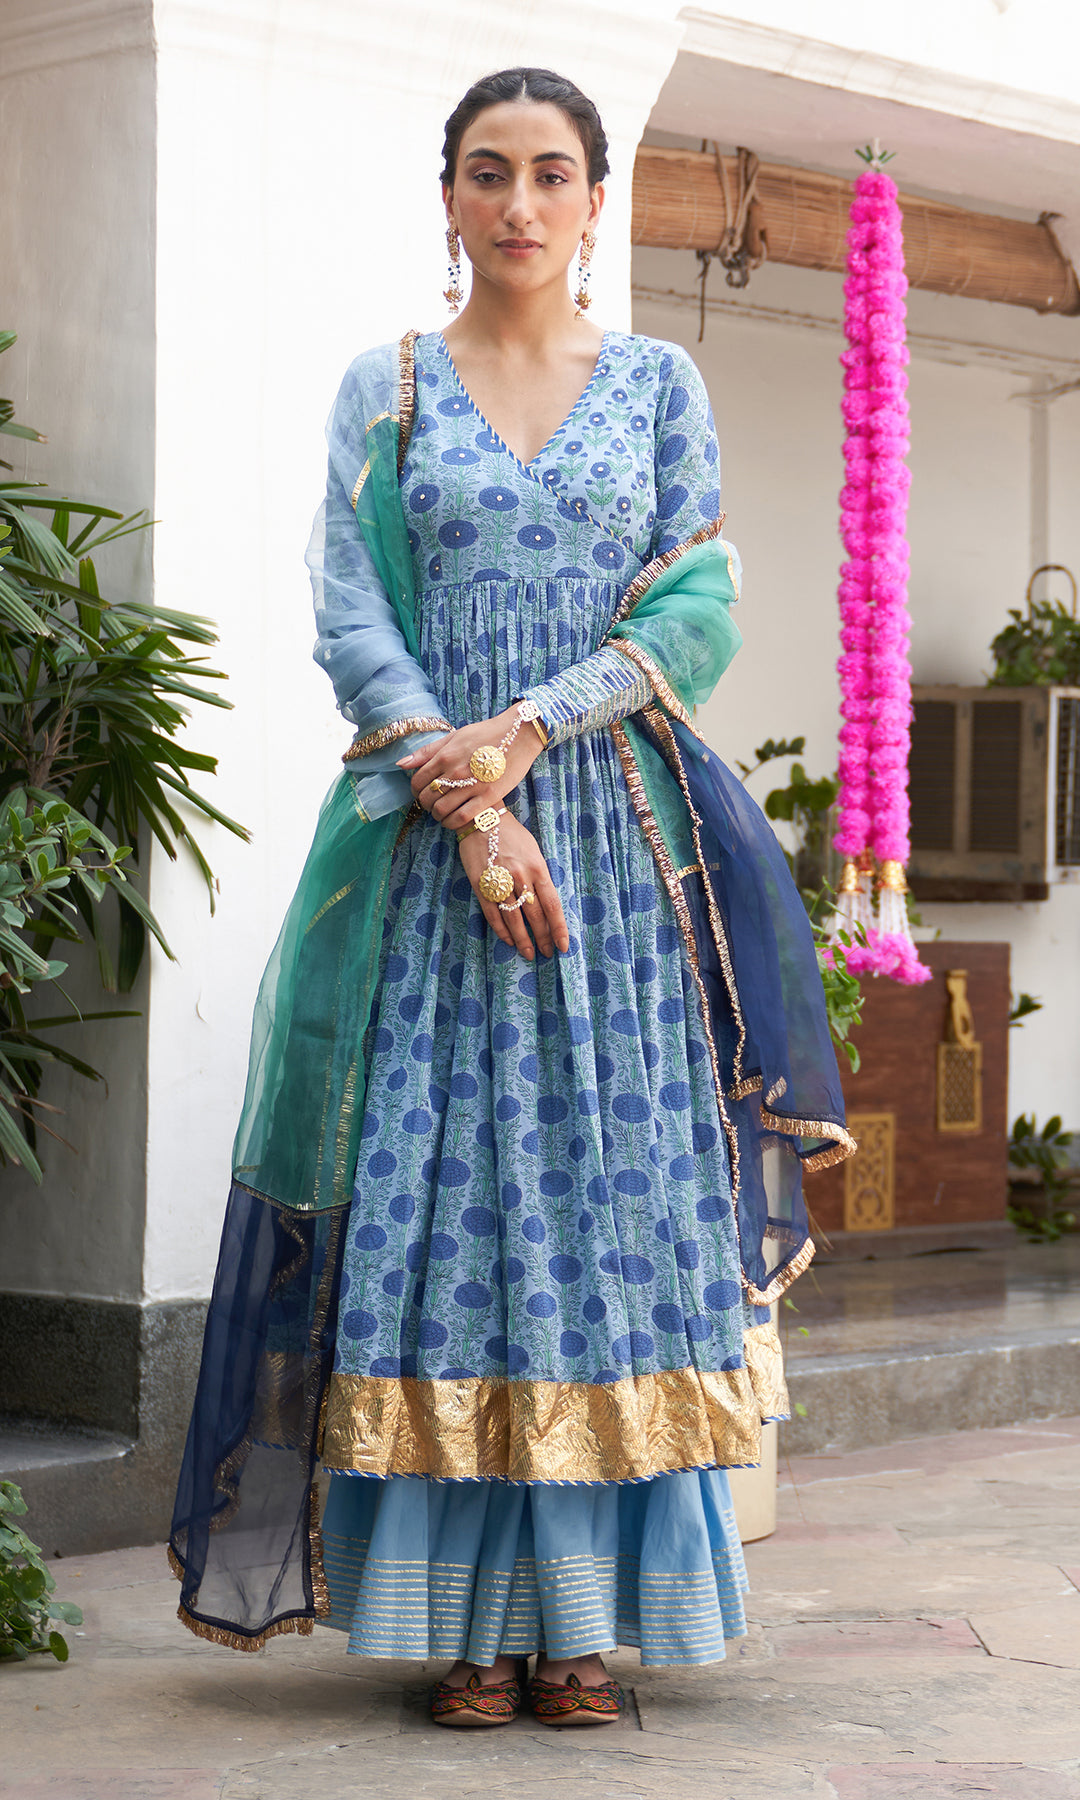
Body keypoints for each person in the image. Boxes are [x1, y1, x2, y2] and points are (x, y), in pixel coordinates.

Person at [169, 66, 853, 1730]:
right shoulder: (388, 388)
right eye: (490, 172)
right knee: (452, 1205)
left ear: (598, 200)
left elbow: (697, 607)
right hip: (432, 857)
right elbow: (351, 610)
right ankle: (464, 1628)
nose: (521, 203)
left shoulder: (661, 384)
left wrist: (534, 734)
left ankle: (585, 1628)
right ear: (450, 197)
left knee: (614, 1203)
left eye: (553, 173)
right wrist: (475, 810)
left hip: (617, 861)